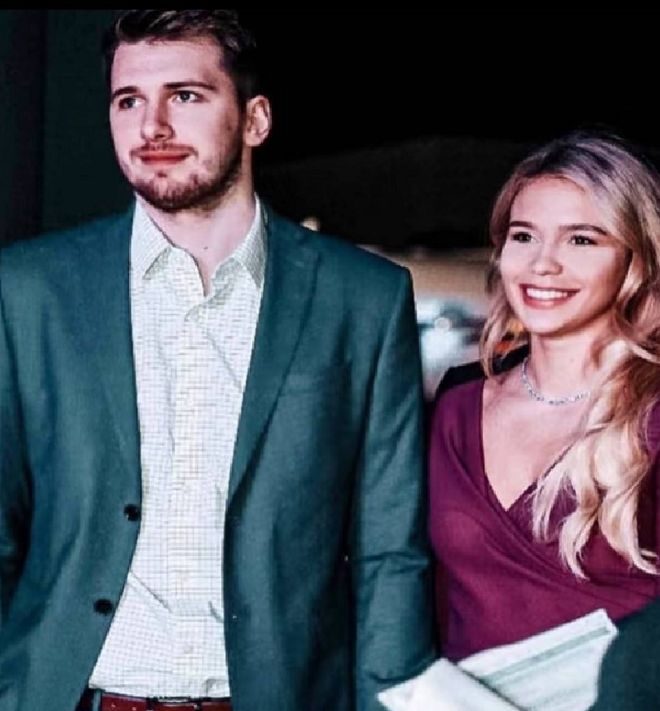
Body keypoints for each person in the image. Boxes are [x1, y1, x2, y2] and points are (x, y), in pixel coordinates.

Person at [0, 9, 435, 711]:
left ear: (255, 119)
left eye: (186, 95)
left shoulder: (363, 299)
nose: (152, 126)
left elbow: (390, 554)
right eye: (128, 100)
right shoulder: (30, 291)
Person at [428, 130, 660, 663]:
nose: (543, 264)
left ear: (636, 258)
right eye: (524, 235)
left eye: (581, 240)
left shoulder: (651, 419)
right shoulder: (456, 407)